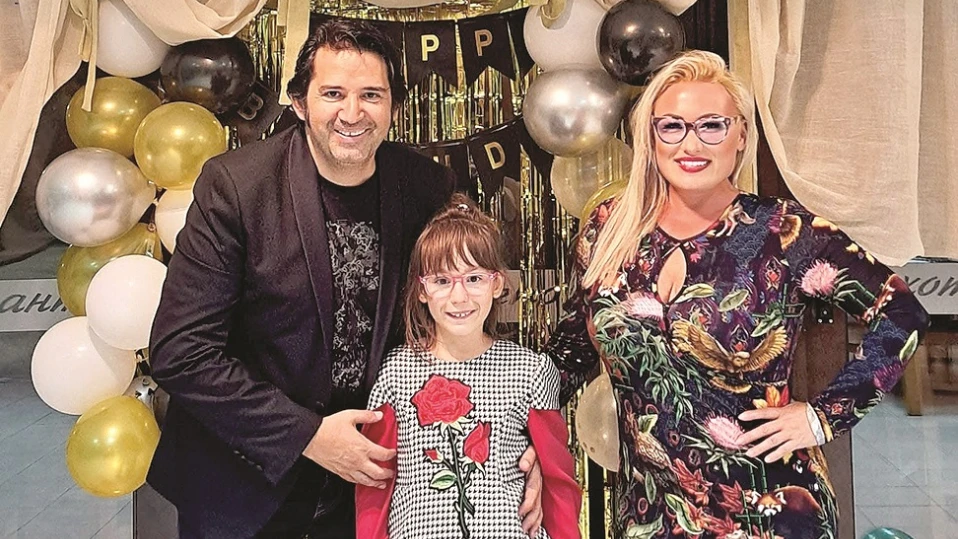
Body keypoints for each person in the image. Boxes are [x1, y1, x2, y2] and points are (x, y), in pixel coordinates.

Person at [147, 20, 542, 539]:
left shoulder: (424, 185)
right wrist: (308, 436)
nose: (352, 113)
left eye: (371, 95)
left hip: (372, 488)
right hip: (244, 487)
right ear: (300, 103)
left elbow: (456, 326)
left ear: (393, 107)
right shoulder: (237, 187)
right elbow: (181, 351)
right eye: (333, 93)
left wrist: (522, 449)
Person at [544, 50, 929, 539]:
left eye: (712, 126)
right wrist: (508, 417)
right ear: (650, 136)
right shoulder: (609, 229)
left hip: (768, 510)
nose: (691, 144)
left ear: (741, 135)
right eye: (672, 126)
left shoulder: (783, 232)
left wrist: (822, 417)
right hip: (651, 514)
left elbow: (902, 313)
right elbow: (575, 346)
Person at [355, 195, 581, 539]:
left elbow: (558, 485)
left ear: (497, 283)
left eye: (474, 278)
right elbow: (374, 485)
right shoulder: (395, 373)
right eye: (442, 281)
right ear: (421, 290)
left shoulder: (531, 371)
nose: (459, 297)